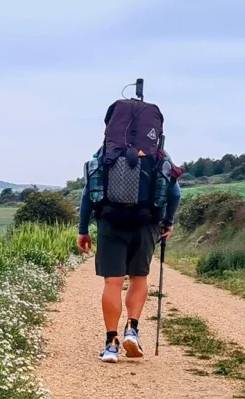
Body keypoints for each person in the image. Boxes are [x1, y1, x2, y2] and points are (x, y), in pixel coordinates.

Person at [76, 99, 181, 362]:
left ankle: (111, 343)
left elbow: (88, 194)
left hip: (110, 222)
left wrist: (83, 230)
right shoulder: (159, 155)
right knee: (138, 278)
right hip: (146, 223)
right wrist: (167, 221)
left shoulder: (104, 153)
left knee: (112, 282)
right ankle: (132, 330)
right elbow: (175, 192)